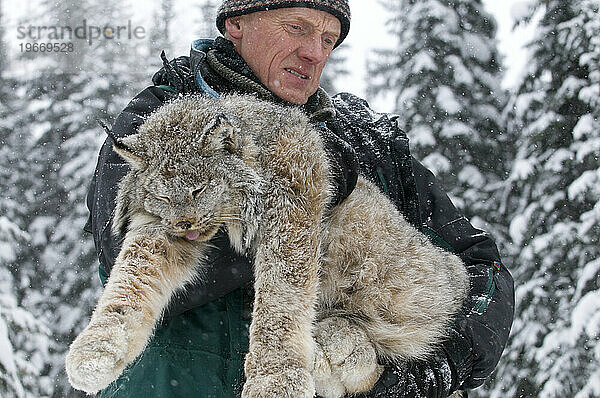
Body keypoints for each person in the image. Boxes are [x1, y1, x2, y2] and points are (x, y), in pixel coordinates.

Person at [84, 1, 515, 397]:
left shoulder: (362, 138)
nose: (314, 52)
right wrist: (298, 198)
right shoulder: (159, 122)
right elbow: (127, 252)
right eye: (297, 27)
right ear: (236, 23)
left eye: (328, 39)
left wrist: (429, 374)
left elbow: (482, 267)